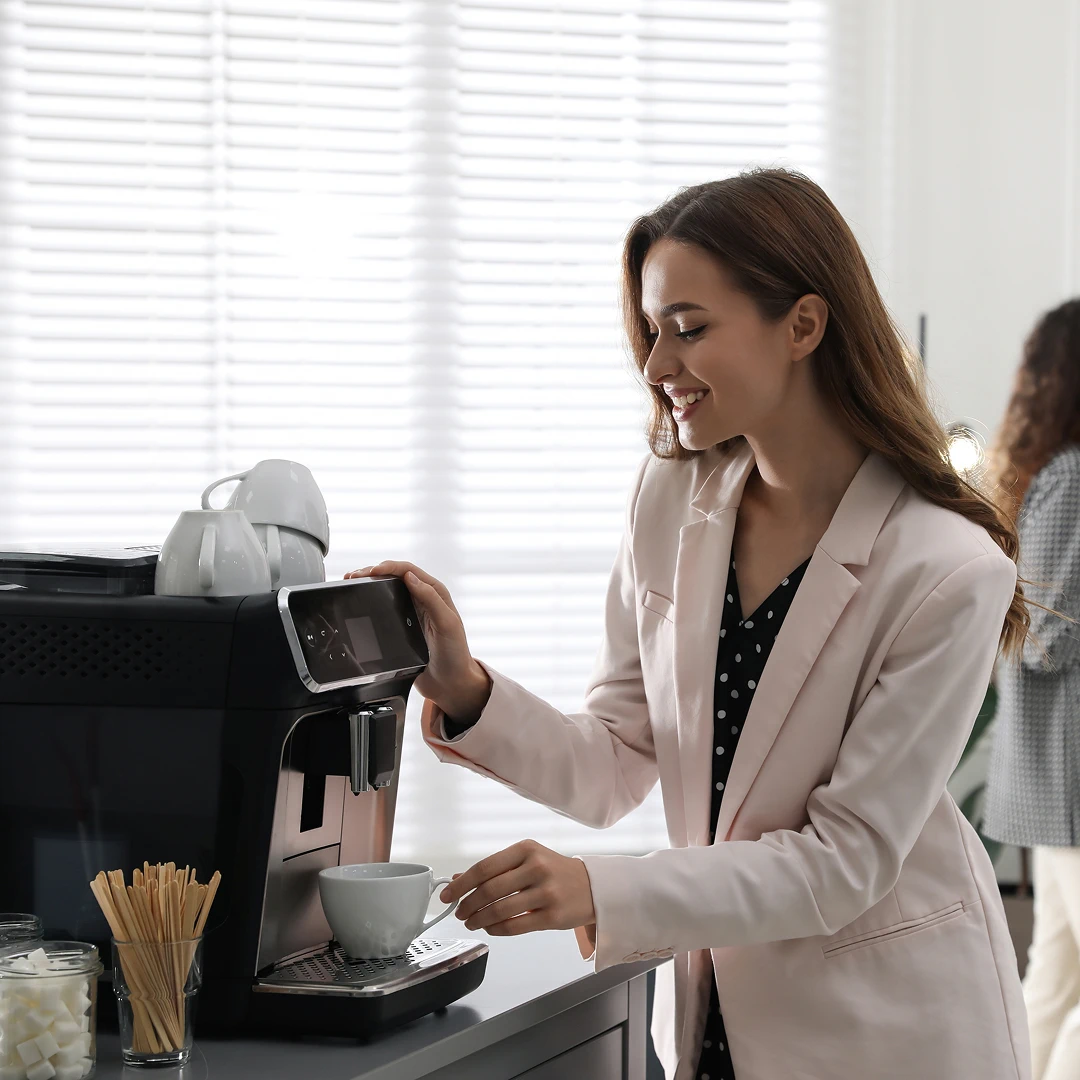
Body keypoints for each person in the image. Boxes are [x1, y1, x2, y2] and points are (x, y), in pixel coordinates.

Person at [348, 168, 1033, 1079]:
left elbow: (843, 862)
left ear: (804, 324)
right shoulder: (670, 498)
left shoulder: (947, 568)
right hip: (713, 1014)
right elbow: (616, 759)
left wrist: (599, 887)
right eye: (651, 331)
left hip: (888, 1028)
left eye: (688, 328)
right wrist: (465, 687)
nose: (656, 365)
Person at [983, 298, 1080, 1080]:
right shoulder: (1076, 478)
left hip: (1059, 784)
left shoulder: (1053, 474)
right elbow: (1042, 635)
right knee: (1055, 975)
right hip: (1071, 781)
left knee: (1054, 976)